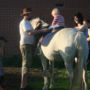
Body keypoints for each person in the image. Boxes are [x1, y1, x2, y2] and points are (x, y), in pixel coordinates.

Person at [19, 8, 47, 90]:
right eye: (27, 14)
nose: (29, 15)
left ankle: (25, 85)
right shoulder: (24, 22)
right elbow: (29, 32)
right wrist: (42, 30)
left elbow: (32, 31)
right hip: (26, 45)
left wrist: (37, 28)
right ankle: (23, 87)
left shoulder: (28, 22)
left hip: (29, 44)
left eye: (29, 13)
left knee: (27, 65)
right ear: (24, 15)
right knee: (25, 65)